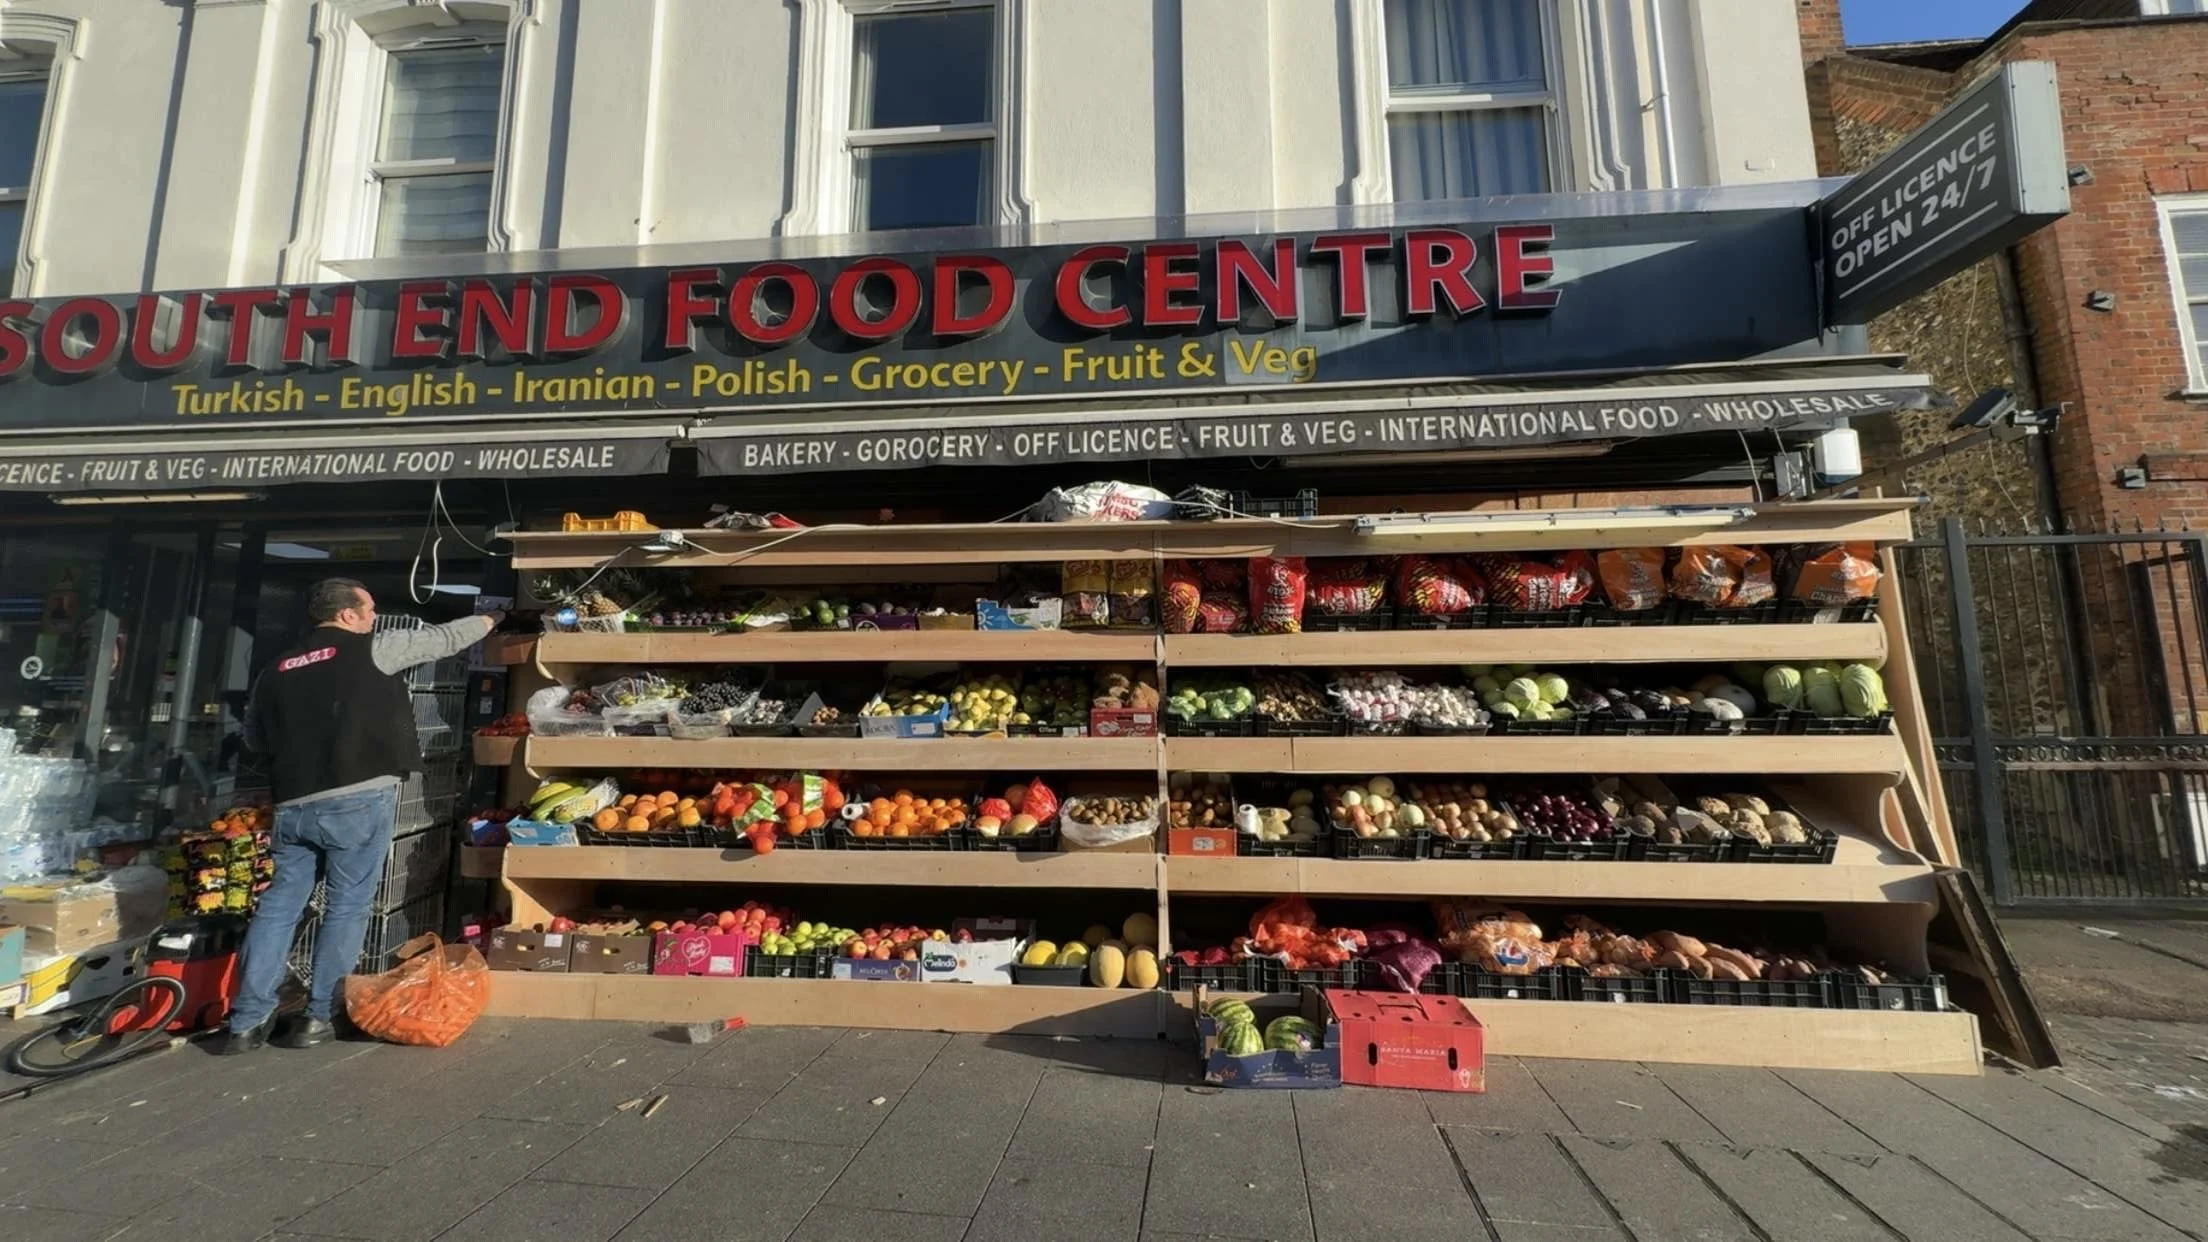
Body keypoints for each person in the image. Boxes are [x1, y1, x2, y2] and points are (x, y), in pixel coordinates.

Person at [219, 578, 502, 1053]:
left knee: (278, 909)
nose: (374, 617)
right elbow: (446, 638)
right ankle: (320, 1016)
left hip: (292, 804)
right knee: (347, 906)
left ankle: (246, 1022)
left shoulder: (276, 670)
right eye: (369, 609)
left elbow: (253, 739)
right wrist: (495, 618)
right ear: (348, 615)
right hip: (358, 798)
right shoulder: (373, 649)